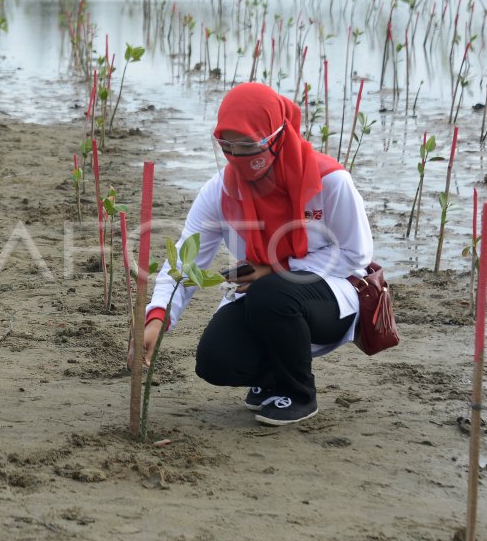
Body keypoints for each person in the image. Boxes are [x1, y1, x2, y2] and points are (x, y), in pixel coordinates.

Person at [142, 82, 372, 426]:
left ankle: (299, 394)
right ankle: (271, 381)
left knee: (272, 292)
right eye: (227, 144)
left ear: (277, 135)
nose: (237, 155)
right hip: (262, 296)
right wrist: (158, 317)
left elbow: (356, 254)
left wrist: (274, 269)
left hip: (331, 293)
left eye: (248, 144)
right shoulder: (219, 192)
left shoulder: (330, 182)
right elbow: (185, 261)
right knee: (214, 360)